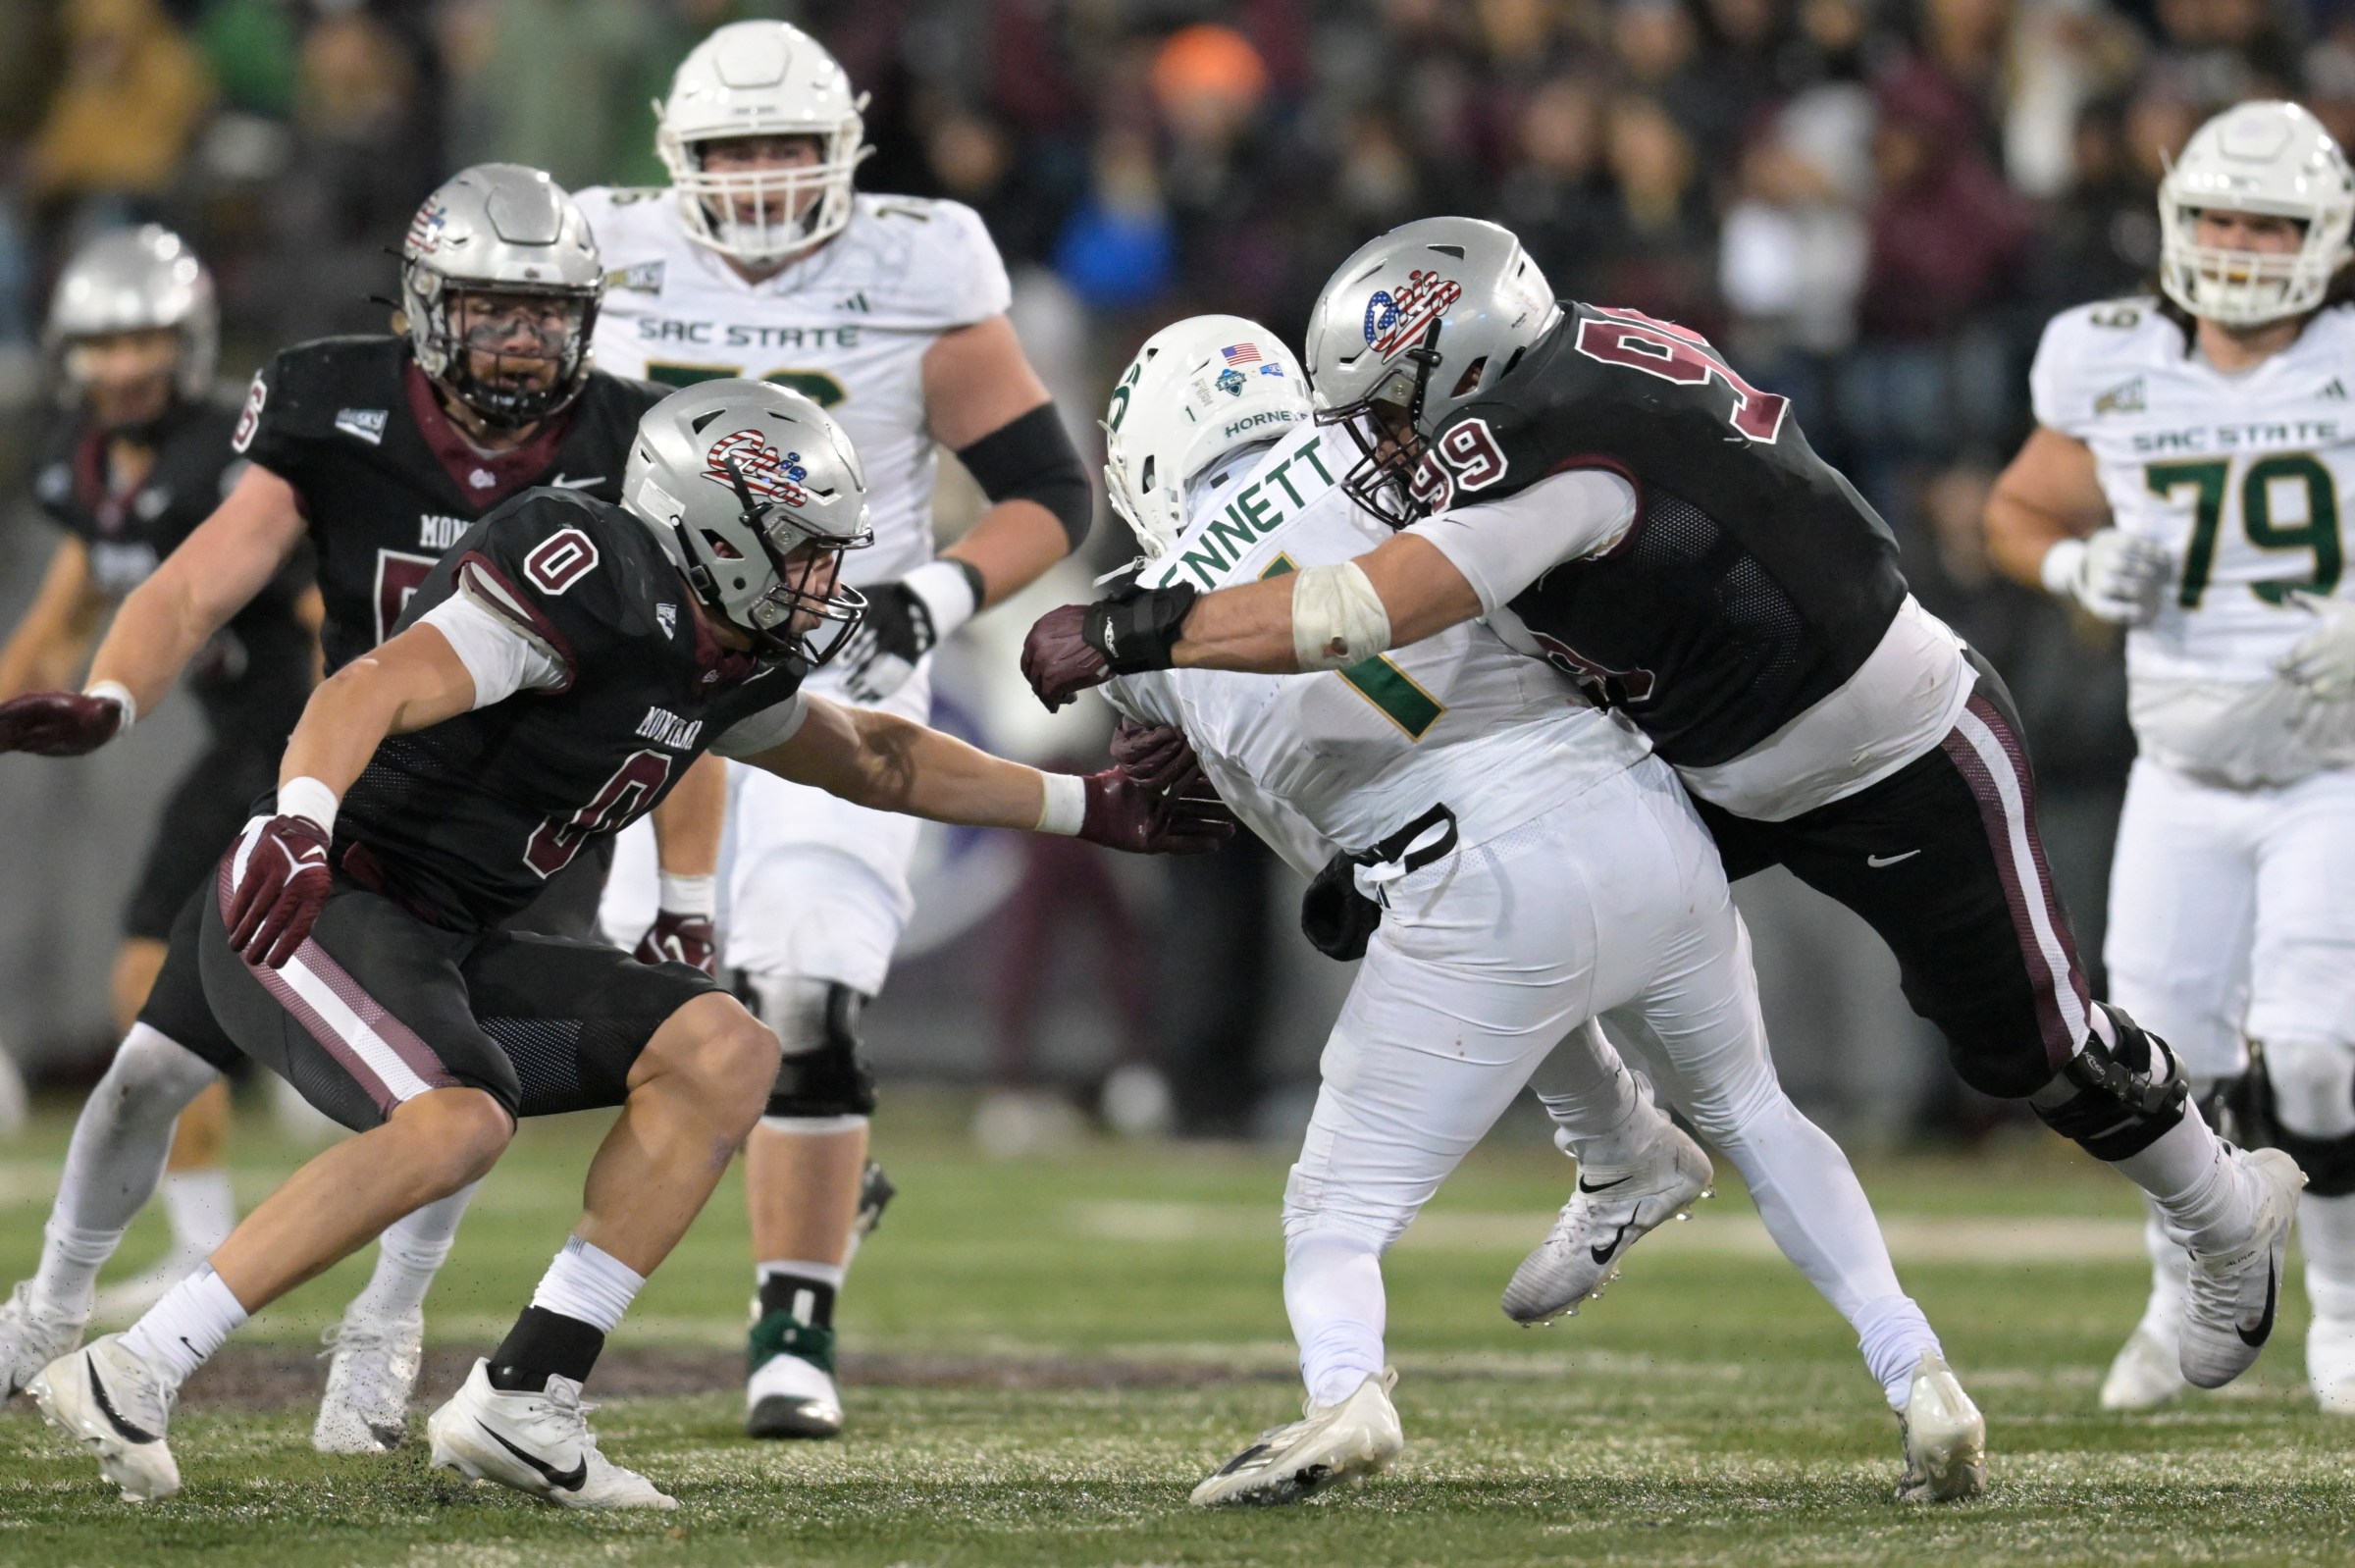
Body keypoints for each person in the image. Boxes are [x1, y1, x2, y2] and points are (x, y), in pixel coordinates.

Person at [1023, 216, 2306, 1397]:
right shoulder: (1558, 362)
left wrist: (1144, 624)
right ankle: (1628, 1160)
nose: (1375, 450)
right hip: (1709, 753)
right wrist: (1389, 853)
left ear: (1468, 375)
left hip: (1895, 742)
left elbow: (1350, 611)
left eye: (1391, 418)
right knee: (1513, 900)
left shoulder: (1553, 457)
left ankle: (2218, 1205)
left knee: (2036, 1050)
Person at [24, 379, 1224, 1508]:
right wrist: (300, 822)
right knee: (459, 1119)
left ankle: (526, 1398)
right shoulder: (588, 575)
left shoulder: (725, 647)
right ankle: (134, 1364)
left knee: (725, 1047)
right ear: (718, 535)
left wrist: (1089, 804)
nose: (823, 582)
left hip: (451, 936)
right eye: (804, 550)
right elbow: (369, 686)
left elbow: (876, 754)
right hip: (318, 902)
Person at [1088, 315, 1983, 1505]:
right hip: (1639, 812)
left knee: (1334, 1213)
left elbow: (1273, 803)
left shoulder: (1144, 607)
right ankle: (1917, 1366)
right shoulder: (1406, 459)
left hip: (1472, 879)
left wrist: (1332, 852)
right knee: (1758, 1111)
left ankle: (1345, 1391)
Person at [0, 165, 717, 1455]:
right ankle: (49, 1307)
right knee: (149, 1064)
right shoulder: (337, 402)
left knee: (458, 1091)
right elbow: (203, 579)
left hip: (519, 816)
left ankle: (385, 1327)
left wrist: (685, 895)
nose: (519, 340)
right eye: (492, 309)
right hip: (341, 801)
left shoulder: (638, 445)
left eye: (547, 313)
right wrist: (113, 694)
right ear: (425, 312)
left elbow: (700, 693)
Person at [574, 20, 1092, 1438]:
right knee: (661, 1009)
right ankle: (806, 1159)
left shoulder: (921, 260)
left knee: (805, 986)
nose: (755, 179)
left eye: (786, 149)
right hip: (654, 675)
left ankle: (793, 1322)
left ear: (847, 153)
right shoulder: (602, 251)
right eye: (731, 151)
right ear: (678, 157)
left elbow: (1053, 489)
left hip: (838, 662)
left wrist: (932, 591)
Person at [1985, 100, 2355, 1414]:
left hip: (2338, 769)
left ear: (2327, 236)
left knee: (2317, 1055)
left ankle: (2347, 1316)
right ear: (2173, 223)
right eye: (2220, 219)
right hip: (2183, 773)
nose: (2244, 246)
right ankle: (2174, 1297)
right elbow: (2020, 508)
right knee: (2158, 1065)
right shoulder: (2110, 355)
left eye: (2272, 222)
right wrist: (2076, 560)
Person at [0, 227, 315, 1314]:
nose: (125, 363)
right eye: (104, 340)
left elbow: (332, 609)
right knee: (146, 980)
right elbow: (59, 617)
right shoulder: (82, 460)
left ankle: (228, 1239)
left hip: (309, 742)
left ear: (186, 341)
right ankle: (203, 1239)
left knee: (177, 984)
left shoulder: (233, 452)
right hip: (238, 748)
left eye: (145, 337)